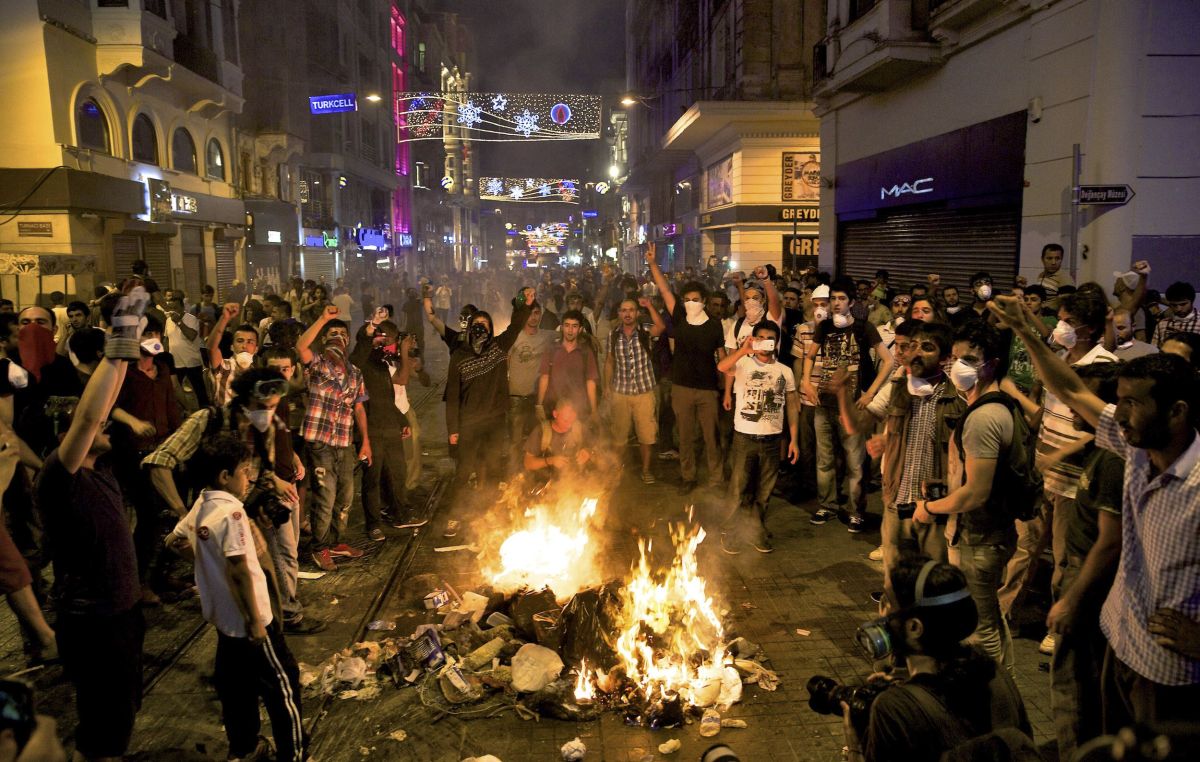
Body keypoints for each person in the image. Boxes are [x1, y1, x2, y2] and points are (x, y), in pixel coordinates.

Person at [988, 294, 1200, 729]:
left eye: (1132, 403)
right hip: (1119, 644)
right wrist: (1026, 330)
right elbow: (1069, 389)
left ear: (1177, 412)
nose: (1117, 416)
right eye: (1117, 401)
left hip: (1169, 675)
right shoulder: (1136, 447)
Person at [34, 282, 148, 762]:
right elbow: (87, 417)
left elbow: (98, 409)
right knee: (104, 726)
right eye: (99, 424)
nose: (106, 424)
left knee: (119, 715)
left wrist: (125, 353)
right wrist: (119, 338)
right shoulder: (59, 478)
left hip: (121, 612)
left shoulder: (98, 471)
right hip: (92, 620)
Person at [165, 433, 305, 762]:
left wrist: (204, 560)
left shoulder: (202, 504)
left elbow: (172, 541)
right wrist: (256, 623)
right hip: (252, 622)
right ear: (224, 476)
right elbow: (241, 570)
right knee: (284, 687)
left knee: (236, 690)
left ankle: (244, 748)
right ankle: (294, 754)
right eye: (244, 470)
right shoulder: (233, 514)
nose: (250, 478)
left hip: (224, 623)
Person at [842, 558, 1031, 762]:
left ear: (914, 627)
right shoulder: (994, 672)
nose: (880, 612)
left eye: (887, 602)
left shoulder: (892, 708)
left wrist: (855, 746)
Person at [914, 320, 1018, 675]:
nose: (958, 366)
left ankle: (994, 696)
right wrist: (945, 483)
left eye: (970, 359)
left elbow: (976, 492)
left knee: (980, 626)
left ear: (992, 364)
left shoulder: (985, 416)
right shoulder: (989, 406)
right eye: (955, 357)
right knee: (990, 615)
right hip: (983, 535)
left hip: (978, 538)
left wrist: (929, 508)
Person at [834, 322, 961, 579]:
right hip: (896, 503)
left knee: (932, 580)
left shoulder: (957, 398)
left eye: (927, 348)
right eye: (913, 347)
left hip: (934, 509)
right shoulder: (897, 388)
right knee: (894, 578)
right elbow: (855, 425)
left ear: (945, 358)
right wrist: (841, 393)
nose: (916, 353)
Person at [1043, 362, 1124, 760]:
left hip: (1087, 581)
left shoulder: (1113, 460)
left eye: (1082, 398)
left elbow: (1110, 542)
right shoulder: (1097, 448)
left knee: (1073, 682)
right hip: (1076, 570)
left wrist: (1072, 598)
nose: (1071, 407)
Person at [803, 278, 892, 533]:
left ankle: (856, 511)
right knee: (825, 459)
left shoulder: (865, 329)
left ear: (851, 302)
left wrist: (871, 393)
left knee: (855, 462)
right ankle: (828, 506)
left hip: (853, 406)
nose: (836, 303)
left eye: (842, 299)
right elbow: (810, 356)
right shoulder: (824, 327)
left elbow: (887, 360)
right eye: (833, 299)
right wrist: (806, 382)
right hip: (824, 402)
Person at [645, 247, 725, 493]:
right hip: (682, 387)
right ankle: (688, 476)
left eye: (696, 299)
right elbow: (665, 290)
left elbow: (721, 357)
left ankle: (716, 479)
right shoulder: (679, 317)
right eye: (687, 299)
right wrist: (653, 264)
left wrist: (725, 389)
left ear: (704, 301)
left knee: (711, 437)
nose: (691, 303)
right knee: (686, 437)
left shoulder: (714, 326)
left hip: (707, 389)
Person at [296, 307, 371, 571]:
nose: (338, 336)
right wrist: (323, 319)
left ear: (348, 340)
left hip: (344, 442)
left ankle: (335, 542)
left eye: (342, 333)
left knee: (346, 497)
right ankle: (319, 548)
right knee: (325, 497)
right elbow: (301, 346)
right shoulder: (317, 365)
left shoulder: (355, 373)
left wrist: (365, 442)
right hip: (320, 442)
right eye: (332, 333)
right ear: (325, 339)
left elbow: (359, 408)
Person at [718, 321, 800, 554]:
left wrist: (793, 439)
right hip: (744, 437)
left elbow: (792, 406)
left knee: (764, 491)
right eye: (760, 337)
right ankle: (732, 532)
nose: (765, 342)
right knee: (738, 488)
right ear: (754, 338)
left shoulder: (784, 370)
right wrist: (743, 349)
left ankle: (756, 531)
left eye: (770, 338)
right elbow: (722, 367)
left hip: (772, 439)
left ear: (776, 343)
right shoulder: (743, 362)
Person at [446, 293, 531, 492]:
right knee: (465, 469)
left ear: (490, 328)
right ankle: (453, 510)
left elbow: (515, 326)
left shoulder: (498, 347)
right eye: (477, 323)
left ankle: (489, 510)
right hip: (469, 421)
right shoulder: (459, 356)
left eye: (485, 323)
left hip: (494, 419)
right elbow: (452, 396)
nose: (480, 327)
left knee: (493, 465)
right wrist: (453, 429)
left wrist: (524, 305)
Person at [350, 320, 413, 540]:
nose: (388, 344)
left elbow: (387, 398)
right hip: (371, 430)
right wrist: (369, 336)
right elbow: (358, 354)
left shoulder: (382, 364)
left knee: (398, 472)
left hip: (389, 427)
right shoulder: (361, 363)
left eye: (390, 340)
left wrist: (402, 419)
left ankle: (400, 515)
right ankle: (373, 524)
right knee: (372, 479)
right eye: (383, 339)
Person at [606, 296, 665, 484]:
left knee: (646, 435)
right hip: (620, 390)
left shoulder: (645, 332)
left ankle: (646, 470)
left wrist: (649, 306)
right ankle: (616, 469)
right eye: (624, 310)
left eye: (631, 310)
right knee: (619, 435)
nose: (627, 314)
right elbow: (609, 361)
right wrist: (607, 386)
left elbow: (661, 327)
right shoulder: (613, 335)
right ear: (619, 314)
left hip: (644, 390)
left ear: (637, 313)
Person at [537, 310, 599, 423]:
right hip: (553, 407)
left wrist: (594, 410)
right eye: (567, 325)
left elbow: (590, 382)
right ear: (561, 327)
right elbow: (544, 377)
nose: (570, 330)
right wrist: (539, 405)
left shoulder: (586, 352)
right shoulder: (551, 350)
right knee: (551, 438)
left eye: (574, 326)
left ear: (580, 329)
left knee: (576, 439)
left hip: (578, 409)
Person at [523, 398, 591, 483]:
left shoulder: (578, 428)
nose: (569, 425)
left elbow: (598, 448)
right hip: (546, 483)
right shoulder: (542, 431)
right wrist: (551, 460)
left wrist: (588, 452)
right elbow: (527, 463)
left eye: (572, 421)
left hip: (573, 482)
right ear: (555, 414)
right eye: (565, 420)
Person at [207, 303, 259, 405]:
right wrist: (224, 319)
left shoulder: (258, 374)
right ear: (232, 346)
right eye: (240, 341)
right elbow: (211, 348)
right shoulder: (224, 367)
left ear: (256, 349)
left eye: (250, 342)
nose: (244, 346)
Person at [1151, 281, 1199, 347]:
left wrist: (1187, 338)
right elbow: (1154, 351)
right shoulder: (1162, 324)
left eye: (1183, 304)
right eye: (1174, 305)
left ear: (1192, 301)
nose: (1178, 309)